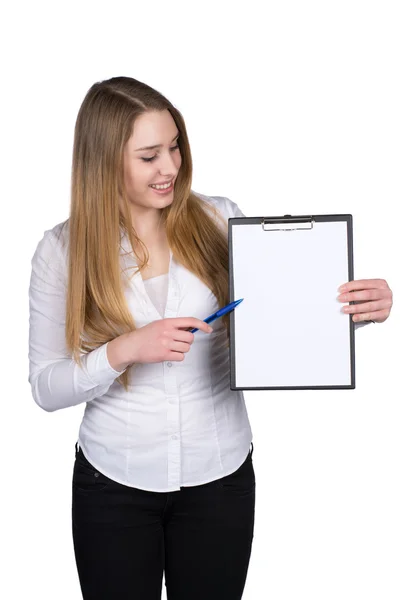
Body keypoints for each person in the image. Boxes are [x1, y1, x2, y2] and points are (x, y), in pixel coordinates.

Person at [28, 76, 393, 600]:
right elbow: (45, 388)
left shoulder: (220, 219)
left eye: (174, 146)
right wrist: (125, 349)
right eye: (149, 155)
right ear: (104, 160)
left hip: (220, 477)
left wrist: (355, 312)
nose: (171, 167)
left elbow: (275, 318)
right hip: (113, 483)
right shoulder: (60, 252)